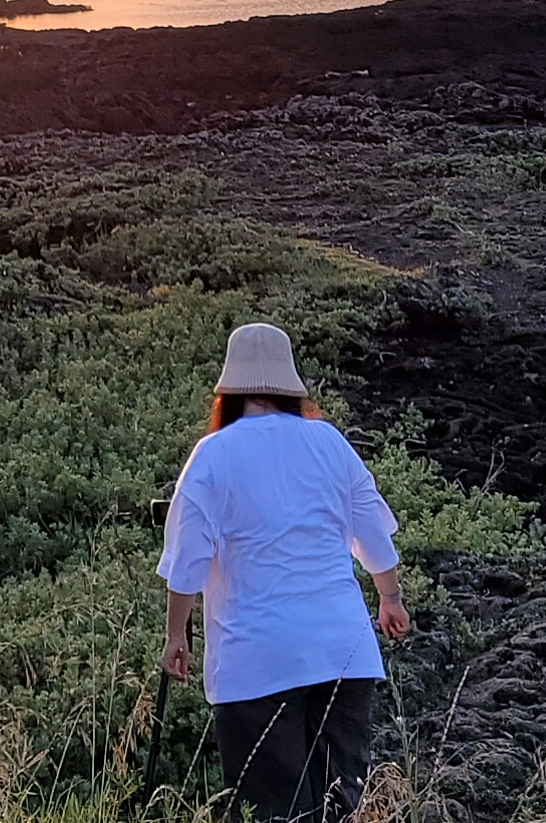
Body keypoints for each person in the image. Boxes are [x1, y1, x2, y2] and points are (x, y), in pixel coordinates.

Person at [157, 322, 408, 823]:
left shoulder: (213, 455)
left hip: (257, 663)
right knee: (344, 806)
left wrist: (176, 634)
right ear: (289, 383)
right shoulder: (329, 442)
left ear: (229, 388)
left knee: (273, 811)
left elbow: (188, 559)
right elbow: (373, 534)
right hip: (345, 653)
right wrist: (391, 598)